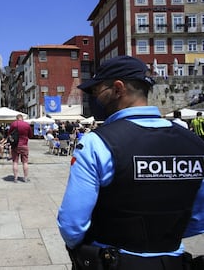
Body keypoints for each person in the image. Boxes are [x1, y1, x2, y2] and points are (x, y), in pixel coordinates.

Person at [57, 56, 204, 270]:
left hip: (114, 259)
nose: (94, 98)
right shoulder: (194, 144)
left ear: (118, 89)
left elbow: (71, 223)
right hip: (172, 260)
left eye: (97, 91)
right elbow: (198, 218)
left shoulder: (97, 143)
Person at [8, 114, 33, 183]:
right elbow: (30, 135)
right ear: (22, 118)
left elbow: (9, 134)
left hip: (15, 145)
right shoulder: (27, 125)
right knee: (25, 162)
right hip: (24, 145)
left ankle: (15, 178)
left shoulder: (13, 124)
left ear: (17, 118)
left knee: (15, 162)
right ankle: (25, 178)